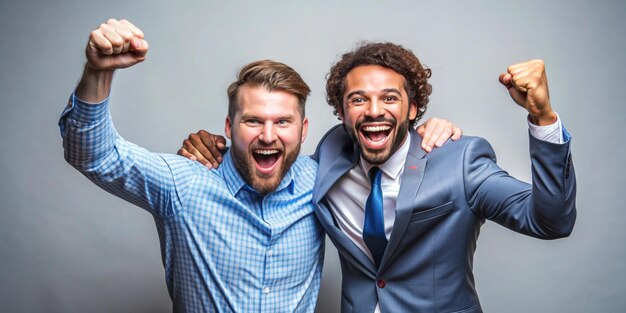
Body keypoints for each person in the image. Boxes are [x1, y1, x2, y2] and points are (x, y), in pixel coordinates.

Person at [59, 19, 459, 312]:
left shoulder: (322, 179)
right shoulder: (184, 182)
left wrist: (428, 136)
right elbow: (93, 155)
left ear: (303, 131)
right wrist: (99, 71)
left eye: (282, 122)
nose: (268, 136)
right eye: (253, 121)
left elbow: (381, 138)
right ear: (230, 127)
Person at [181, 42, 576, 313]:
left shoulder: (460, 160)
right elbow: (269, 153)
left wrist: (543, 119)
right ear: (341, 111)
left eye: (389, 97)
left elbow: (550, 220)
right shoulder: (330, 155)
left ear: (412, 108)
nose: (373, 111)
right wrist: (213, 144)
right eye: (358, 100)